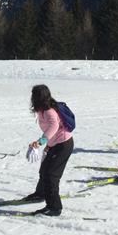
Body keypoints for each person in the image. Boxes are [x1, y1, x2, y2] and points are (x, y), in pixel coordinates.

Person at [23, 85, 74, 216]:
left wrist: (42, 141)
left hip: (63, 144)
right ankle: (41, 194)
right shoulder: (42, 110)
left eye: (34, 95)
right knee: (44, 170)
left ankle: (54, 207)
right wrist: (49, 143)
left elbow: (54, 126)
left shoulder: (49, 111)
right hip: (55, 144)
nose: (32, 98)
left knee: (51, 175)